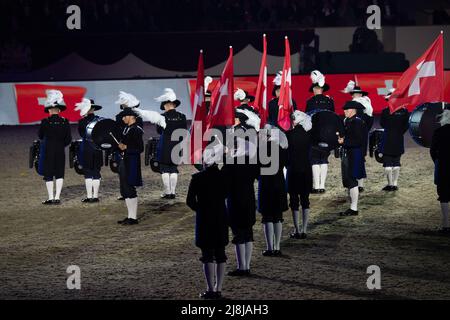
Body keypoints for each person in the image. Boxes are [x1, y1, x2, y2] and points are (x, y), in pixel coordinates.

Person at [186, 143, 228, 299]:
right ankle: (218, 288)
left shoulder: (197, 178)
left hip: (204, 219)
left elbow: (190, 201)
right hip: (221, 216)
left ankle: (210, 289)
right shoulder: (224, 176)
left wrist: (201, 209)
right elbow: (226, 194)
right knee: (220, 253)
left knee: (207, 255)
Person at [224, 105, 260, 277]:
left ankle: (242, 267)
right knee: (248, 233)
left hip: (235, 201)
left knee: (239, 234)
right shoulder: (251, 163)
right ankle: (247, 265)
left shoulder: (231, 165)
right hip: (249, 198)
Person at [258, 124, 288, 256]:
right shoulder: (281, 149)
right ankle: (277, 246)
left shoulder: (261, 149)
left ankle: (270, 247)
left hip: (266, 184)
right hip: (279, 183)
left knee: (267, 217)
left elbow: (256, 168)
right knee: (277, 216)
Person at [37, 90, 72, 205]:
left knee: (48, 174)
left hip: (48, 150)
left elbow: (40, 136)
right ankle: (57, 198)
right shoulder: (65, 121)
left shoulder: (45, 121)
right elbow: (68, 139)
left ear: (49, 110)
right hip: (60, 151)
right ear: (60, 110)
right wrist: (61, 145)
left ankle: (51, 197)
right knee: (59, 173)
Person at [155, 88, 188, 199]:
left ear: (166, 105)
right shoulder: (182, 116)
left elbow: (159, 131)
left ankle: (167, 192)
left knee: (164, 168)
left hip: (164, 144)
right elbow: (184, 131)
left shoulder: (162, 117)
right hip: (177, 144)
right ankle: (173, 192)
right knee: (173, 168)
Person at [306, 70, 335, 194]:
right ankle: (322, 186)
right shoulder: (330, 101)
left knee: (315, 160)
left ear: (314, 89)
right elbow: (333, 118)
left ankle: (317, 186)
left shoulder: (310, 102)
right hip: (327, 134)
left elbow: (307, 119)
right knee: (324, 159)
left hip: (314, 134)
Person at [343, 80, 374, 192]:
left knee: (360, 159)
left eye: (358, 94)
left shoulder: (366, 112)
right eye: (355, 94)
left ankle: (359, 184)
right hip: (352, 139)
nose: (357, 96)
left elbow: (368, 123)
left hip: (360, 139)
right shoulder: (351, 110)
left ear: (361, 95)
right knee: (352, 160)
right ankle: (355, 183)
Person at [287, 111, 313, 239]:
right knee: (305, 200)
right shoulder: (309, 135)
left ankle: (297, 229)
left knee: (294, 201)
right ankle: (304, 229)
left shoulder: (289, 134)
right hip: (306, 169)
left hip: (293, 170)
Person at [338, 101, 366, 217]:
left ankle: (354, 208)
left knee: (352, 180)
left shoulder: (357, 122)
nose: (344, 111)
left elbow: (359, 140)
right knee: (349, 180)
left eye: (347, 109)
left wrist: (344, 141)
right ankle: (352, 207)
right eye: (344, 109)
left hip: (354, 154)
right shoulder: (349, 121)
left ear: (353, 110)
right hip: (350, 153)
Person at [116, 108, 144, 226]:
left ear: (131, 116)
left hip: (131, 162)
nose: (122, 119)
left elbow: (140, 148)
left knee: (130, 188)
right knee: (125, 189)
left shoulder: (136, 130)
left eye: (124, 116)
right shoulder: (126, 129)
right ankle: (129, 216)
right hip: (124, 161)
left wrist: (126, 148)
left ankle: (133, 217)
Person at [115, 91, 143, 201]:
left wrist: (127, 146)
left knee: (128, 178)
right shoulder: (120, 117)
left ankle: (126, 193)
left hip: (130, 150)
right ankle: (124, 193)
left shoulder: (137, 120)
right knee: (122, 174)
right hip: (122, 148)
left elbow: (139, 145)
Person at [379, 91, 410, 191]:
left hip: (387, 139)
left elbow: (382, 124)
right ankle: (395, 184)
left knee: (387, 165)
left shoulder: (385, 111)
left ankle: (390, 184)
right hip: (398, 139)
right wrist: (399, 132)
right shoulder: (405, 112)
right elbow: (407, 125)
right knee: (396, 163)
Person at [74, 98, 103, 203]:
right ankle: (95, 196)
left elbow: (82, 134)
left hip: (86, 148)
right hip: (97, 148)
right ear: (94, 108)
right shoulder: (100, 120)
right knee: (96, 172)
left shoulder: (81, 121)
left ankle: (89, 196)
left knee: (87, 173)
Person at [430, 107, 450, 233]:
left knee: (443, 196)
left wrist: (437, 161)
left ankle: (446, 224)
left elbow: (433, 151)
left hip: (443, 167)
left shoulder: (439, 131)